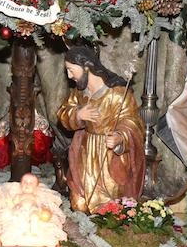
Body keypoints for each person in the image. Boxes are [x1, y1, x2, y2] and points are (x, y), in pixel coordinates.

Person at [56, 46, 145, 213]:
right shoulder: (80, 92)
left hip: (109, 156)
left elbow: (133, 122)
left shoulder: (117, 94)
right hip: (84, 153)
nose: (69, 76)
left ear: (86, 67)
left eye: (71, 70)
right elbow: (63, 112)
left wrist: (120, 137)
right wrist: (78, 114)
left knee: (108, 208)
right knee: (79, 205)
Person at [0, 173, 67, 247]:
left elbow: (41, 204)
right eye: (25, 182)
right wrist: (9, 203)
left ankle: (34, 231)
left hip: (33, 209)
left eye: (31, 183)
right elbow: (13, 205)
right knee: (19, 216)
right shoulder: (19, 196)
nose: (27, 184)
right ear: (20, 185)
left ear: (36, 187)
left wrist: (44, 209)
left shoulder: (35, 197)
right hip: (20, 209)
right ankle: (23, 231)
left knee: (35, 216)